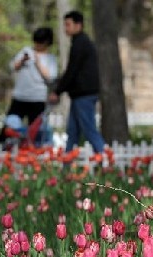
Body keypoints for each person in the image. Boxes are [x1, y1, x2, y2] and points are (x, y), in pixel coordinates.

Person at [48, 10, 106, 156]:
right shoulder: (79, 43)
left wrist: (58, 91)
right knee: (72, 131)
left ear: (78, 25)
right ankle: (67, 162)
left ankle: (106, 159)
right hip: (78, 94)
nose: (66, 28)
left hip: (84, 94)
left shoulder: (81, 43)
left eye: (68, 24)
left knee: (89, 129)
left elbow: (72, 70)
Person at [0, 27, 57, 146]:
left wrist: (38, 62)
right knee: (9, 127)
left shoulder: (50, 59)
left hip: (37, 98)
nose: (37, 45)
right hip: (20, 96)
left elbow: (50, 77)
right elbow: (12, 67)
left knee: (36, 131)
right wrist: (23, 60)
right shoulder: (26, 51)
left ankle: (32, 152)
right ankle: (2, 148)